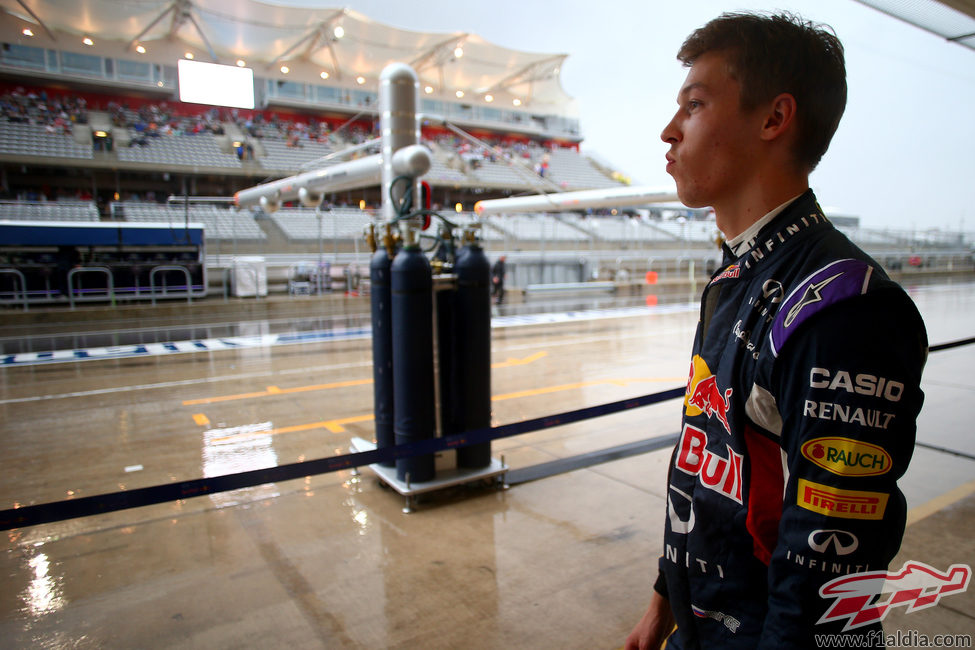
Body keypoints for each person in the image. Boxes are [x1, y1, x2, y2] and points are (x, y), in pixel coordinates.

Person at [625, 12, 927, 649]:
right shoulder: (738, 274)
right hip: (698, 623)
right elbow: (702, 464)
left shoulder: (845, 309)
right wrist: (663, 600)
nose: (668, 131)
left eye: (695, 104)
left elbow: (824, 575)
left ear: (773, 119)